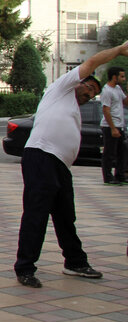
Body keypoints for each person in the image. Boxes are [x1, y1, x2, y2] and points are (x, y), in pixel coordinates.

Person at [13, 43, 128, 288]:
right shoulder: (60, 88)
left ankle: (74, 262)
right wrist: (119, 49)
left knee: (66, 216)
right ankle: (25, 267)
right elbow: (92, 62)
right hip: (41, 156)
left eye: (94, 94)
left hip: (60, 165)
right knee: (37, 213)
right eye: (89, 87)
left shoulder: (72, 107)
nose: (90, 94)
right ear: (78, 81)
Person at [99, 66, 127, 185]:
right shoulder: (107, 90)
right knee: (109, 153)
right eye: (122, 76)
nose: (124, 79)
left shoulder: (117, 89)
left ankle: (120, 175)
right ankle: (108, 177)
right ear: (114, 77)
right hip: (110, 126)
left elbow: (125, 102)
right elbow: (106, 110)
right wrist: (113, 128)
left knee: (122, 152)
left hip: (120, 125)